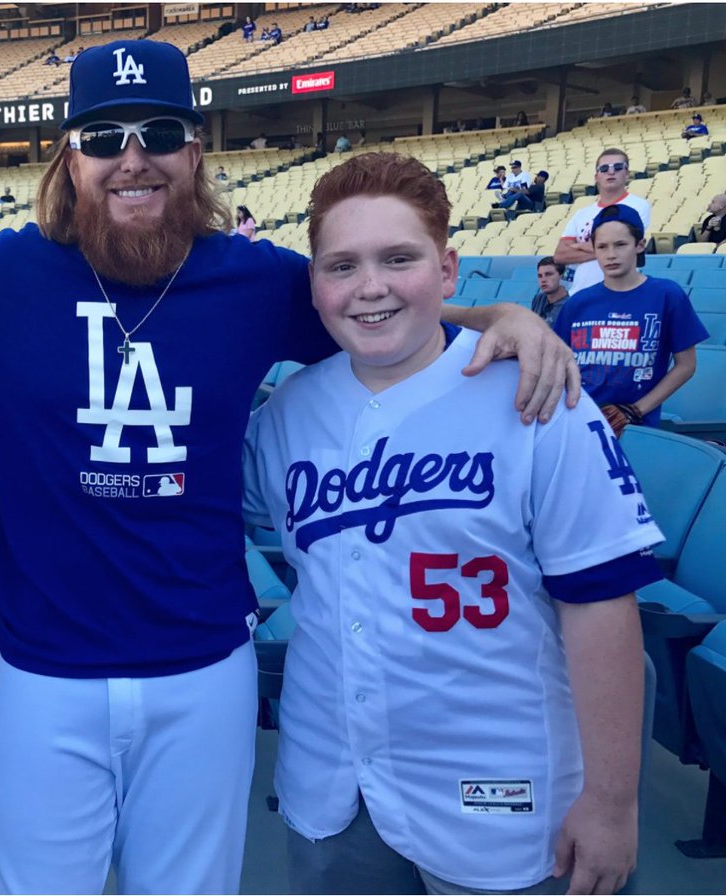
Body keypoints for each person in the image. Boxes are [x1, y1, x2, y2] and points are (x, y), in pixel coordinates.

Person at [0, 41, 577, 895]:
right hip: (43, 668)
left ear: (195, 152)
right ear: (70, 157)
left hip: (205, 666)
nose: (134, 155)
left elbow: (378, 309)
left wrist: (501, 319)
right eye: (104, 134)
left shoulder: (254, 280)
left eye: (160, 131)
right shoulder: (2, 272)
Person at [243, 151, 662, 896]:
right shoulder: (285, 417)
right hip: (331, 786)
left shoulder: (538, 394)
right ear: (314, 284)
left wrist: (611, 801)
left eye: (398, 259)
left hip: (507, 797)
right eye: (342, 265)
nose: (369, 286)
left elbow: (601, 605)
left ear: (447, 269)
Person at [555, 202, 708, 436]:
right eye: (602, 247)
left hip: (635, 429)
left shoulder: (667, 295)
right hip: (579, 424)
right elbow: (559, 363)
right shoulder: (578, 302)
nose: (611, 255)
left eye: (621, 245)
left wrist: (635, 410)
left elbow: (686, 365)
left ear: (639, 245)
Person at [552, 147, 651, 296]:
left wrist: (578, 246)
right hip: (579, 293)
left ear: (627, 173)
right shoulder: (582, 213)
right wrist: (604, 248)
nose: (611, 172)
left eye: (618, 167)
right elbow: (560, 255)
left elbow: (624, 247)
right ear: (596, 176)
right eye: (604, 168)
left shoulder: (638, 206)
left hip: (620, 292)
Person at [531, 256, 569, 327]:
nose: (543, 280)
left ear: (562, 276)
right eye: (540, 276)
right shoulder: (538, 299)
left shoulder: (569, 304)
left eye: (548, 274)